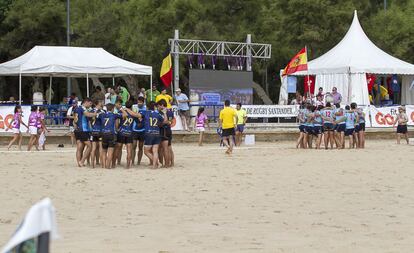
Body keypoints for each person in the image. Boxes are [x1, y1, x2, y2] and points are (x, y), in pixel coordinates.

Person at [74, 98, 96, 167]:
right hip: (83, 129)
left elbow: (74, 120)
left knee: (79, 147)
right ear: (86, 102)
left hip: (77, 129)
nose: (90, 106)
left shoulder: (76, 109)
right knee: (89, 146)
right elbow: (87, 115)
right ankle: (82, 161)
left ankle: (79, 162)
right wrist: (96, 113)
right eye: (90, 104)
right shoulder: (82, 108)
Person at [99, 103, 120, 169]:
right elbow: (125, 115)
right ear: (113, 109)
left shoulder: (102, 114)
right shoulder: (114, 115)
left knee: (104, 151)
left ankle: (104, 165)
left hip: (104, 133)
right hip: (111, 134)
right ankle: (108, 166)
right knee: (110, 151)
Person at [117, 101, 135, 169]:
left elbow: (117, 121)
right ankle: (128, 165)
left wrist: (117, 128)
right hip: (129, 132)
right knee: (129, 149)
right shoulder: (133, 113)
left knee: (118, 148)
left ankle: (117, 162)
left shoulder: (121, 112)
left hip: (121, 132)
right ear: (132, 106)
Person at [157, 99, 174, 168]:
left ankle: (165, 164)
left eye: (158, 106)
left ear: (162, 105)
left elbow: (165, 122)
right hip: (168, 130)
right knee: (169, 148)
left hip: (163, 131)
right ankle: (171, 163)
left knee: (163, 148)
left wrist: (163, 123)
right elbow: (171, 121)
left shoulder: (161, 112)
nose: (158, 107)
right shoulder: (170, 112)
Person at [131, 96, 146, 166]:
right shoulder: (134, 106)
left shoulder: (146, 108)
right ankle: (133, 161)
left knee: (140, 147)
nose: (139, 103)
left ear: (143, 102)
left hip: (143, 130)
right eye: (138, 102)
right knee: (133, 146)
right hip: (134, 129)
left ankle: (139, 162)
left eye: (140, 102)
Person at [90, 100, 104, 168]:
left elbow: (89, 121)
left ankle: (92, 164)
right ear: (98, 104)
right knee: (101, 148)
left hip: (93, 131)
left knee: (93, 148)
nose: (102, 103)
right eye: (101, 102)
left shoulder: (91, 111)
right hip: (100, 131)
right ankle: (101, 164)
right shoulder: (101, 111)